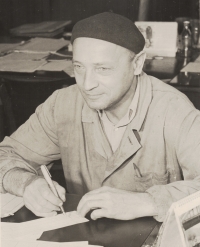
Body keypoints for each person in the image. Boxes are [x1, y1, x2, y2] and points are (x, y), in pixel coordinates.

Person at [0, 12, 200, 222]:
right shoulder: (63, 104)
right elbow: (6, 155)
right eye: (79, 67)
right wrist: (27, 183)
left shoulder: (174, 110)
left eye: (102, 69)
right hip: (84, 243)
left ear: (137, 64)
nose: (87, 85)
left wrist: (146, 202)